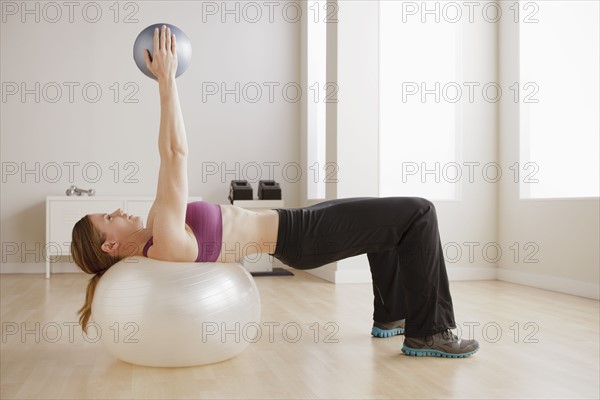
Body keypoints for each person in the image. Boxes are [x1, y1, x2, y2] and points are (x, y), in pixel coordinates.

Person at [71, 26, 479, 358]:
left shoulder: (158, 226)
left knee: (383, 214)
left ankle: (392, 315)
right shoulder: (165, 244)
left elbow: (164, 157)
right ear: (109, 246)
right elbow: (177, 153)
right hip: (301, 237)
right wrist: (165, 80)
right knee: (419, 212)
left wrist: (164, 83)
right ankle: (430, 332)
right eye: (109, 217)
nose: (119, 211)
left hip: (297, 224)